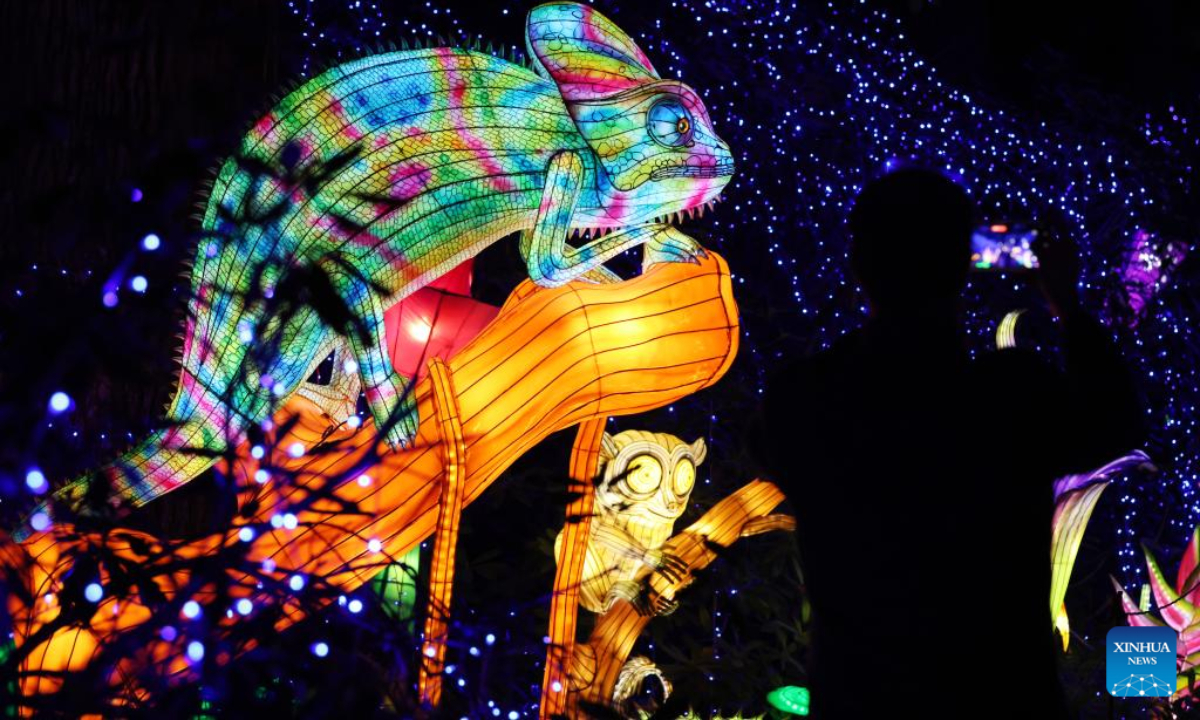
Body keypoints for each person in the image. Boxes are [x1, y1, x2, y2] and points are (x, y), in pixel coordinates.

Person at [756, 168, 1144, 719]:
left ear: (859, 264)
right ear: (964, 267)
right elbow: (1117, 423)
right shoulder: (1013, 396)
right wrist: (1069, 308)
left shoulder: (804, 400)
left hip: (861, 701)